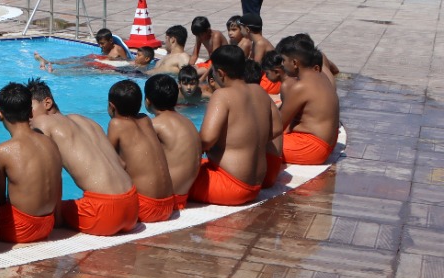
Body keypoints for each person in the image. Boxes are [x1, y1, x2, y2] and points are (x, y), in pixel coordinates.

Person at [27, 80, 138, 236]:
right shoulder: (86, 121)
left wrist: (57, 219)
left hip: (104, 214)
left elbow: (52, 175)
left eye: (29, 109)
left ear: (47, 103)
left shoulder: (42, 123)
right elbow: (121, 163)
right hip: (133, 206)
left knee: (38, 217)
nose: (26, 116)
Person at [187, 45, 271, 206]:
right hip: (256, 185)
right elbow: (275, 129)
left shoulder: (222, 95)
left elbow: (206, 139)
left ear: (220, 73)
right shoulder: (259, 91)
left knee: (171, 173)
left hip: (230, 185)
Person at [0, 82, 63, 243]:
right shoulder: (50, 143)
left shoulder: (1, 151)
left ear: (0, 114)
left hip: (20, 229)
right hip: (47, 224)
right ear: (30, 112)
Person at [105, 80, 178, 223]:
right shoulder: (146, 119)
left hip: (146, 207)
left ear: (112, 106)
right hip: (168, 205)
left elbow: (107, 161)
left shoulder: (116, 124)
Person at [277, 37, 340, 165]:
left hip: (311, 147)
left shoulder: (301, 86)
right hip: (326, 145)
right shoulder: (321, 76)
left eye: (283, 60)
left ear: (295, 63)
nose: (282, 65)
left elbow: (278, 125)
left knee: (253, 144)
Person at [144, 74, 202, 198]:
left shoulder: (154, 125)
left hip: (166, 197)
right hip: (183, 194)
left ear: (147, 101)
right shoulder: (188, 122)